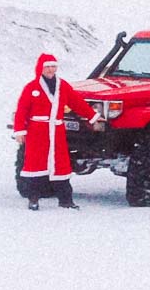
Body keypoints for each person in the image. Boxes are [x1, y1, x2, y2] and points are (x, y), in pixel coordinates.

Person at [13, 53, 101, 211]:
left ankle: (65, 200)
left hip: (56, 132)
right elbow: (22, 110)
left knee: (61, 165)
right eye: (47, 66)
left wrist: (93, 117)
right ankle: (33, 198)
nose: (50, 70)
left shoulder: (63, 86)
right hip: (37, 132)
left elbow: (77, 103)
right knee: (35, 165)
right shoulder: (31, 88)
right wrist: (20, 130)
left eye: (53, 66)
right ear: (41, 68)